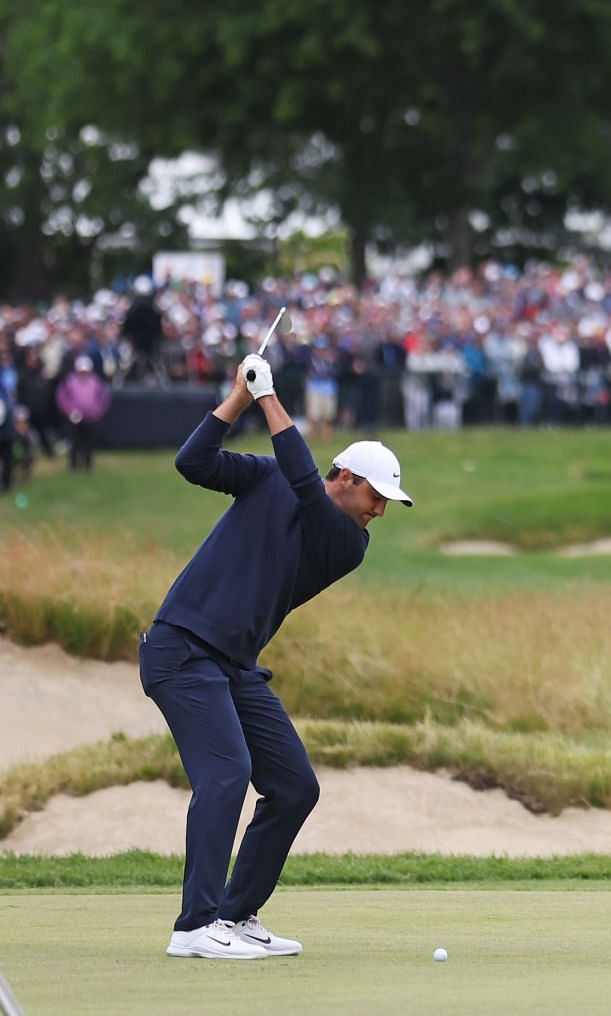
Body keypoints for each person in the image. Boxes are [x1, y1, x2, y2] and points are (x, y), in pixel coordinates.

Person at [141, 355, 412, 960]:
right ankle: (195, 926)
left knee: (294, 787)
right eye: (376, 494)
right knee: (228, 773)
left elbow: (302, 485)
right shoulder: (267, 476)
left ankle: (235, 916)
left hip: (232, 667)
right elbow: (193, 463)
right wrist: (240, 397)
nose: (380, 510)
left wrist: (268, 399)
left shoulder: (348, 542)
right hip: (182, 649)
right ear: (344, 475)